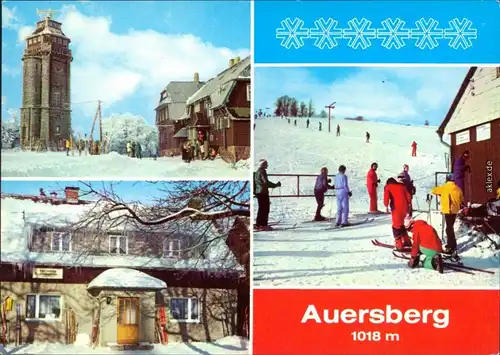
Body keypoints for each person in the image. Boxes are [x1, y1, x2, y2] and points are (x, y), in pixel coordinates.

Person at [431, 174, 463, 254]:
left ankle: (451, 246)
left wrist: (441, 194)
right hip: (455, 210)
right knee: (450, 227)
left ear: (447, 179)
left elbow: (433, 190)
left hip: (448, 210)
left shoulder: (444, 187)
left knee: (448, 228)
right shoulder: (458, 188)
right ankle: (452, 244)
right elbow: (461, 198)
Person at [384, 177, 412, 250]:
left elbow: (386, 198)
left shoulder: (388, 187)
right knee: (401, 224)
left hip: (396, 208)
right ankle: (407, 241)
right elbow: (409, 197)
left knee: (396, 225)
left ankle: (399, 244)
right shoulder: (402, 186)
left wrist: (386, 205)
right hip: (404, 208)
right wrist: (408, 204)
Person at [254, 159, 281, 230]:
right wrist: (275, 185)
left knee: (261, 208)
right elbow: (266, 182)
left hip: (259, 192)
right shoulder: (262, 171)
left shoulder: (257, 171)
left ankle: (259, 224)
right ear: (263, 165)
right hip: (263, 192)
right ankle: (262, 224)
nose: (267, 165)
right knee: (265, 209)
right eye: (266, 164)